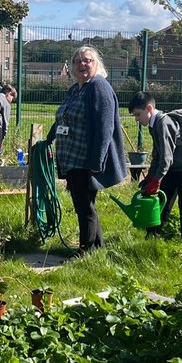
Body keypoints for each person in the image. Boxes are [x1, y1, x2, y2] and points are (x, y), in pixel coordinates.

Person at [49, 46, 128, 253]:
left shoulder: (98, 86)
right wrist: (48, 140)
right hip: (72, 157)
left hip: (85, 158)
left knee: (83, 205)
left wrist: (98, 160)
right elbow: (63, 117)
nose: (82, 64)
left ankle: (86, 250)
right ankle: (98, 247)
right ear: (73, 66)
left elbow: (105, 126)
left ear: (97, 64)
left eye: (88, 60)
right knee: (84, 204)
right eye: (78, 61)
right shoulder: (76, 89)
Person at [128, 91, 182, 252]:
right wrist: (150, 177)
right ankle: (151, 242)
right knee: (161, 207)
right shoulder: (153, 125)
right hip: (171, 171)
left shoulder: (163, 123)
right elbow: (157, 156)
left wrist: (157, 180)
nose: (137, 119)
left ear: (149, 108)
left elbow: (166, 158)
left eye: (138, 115)